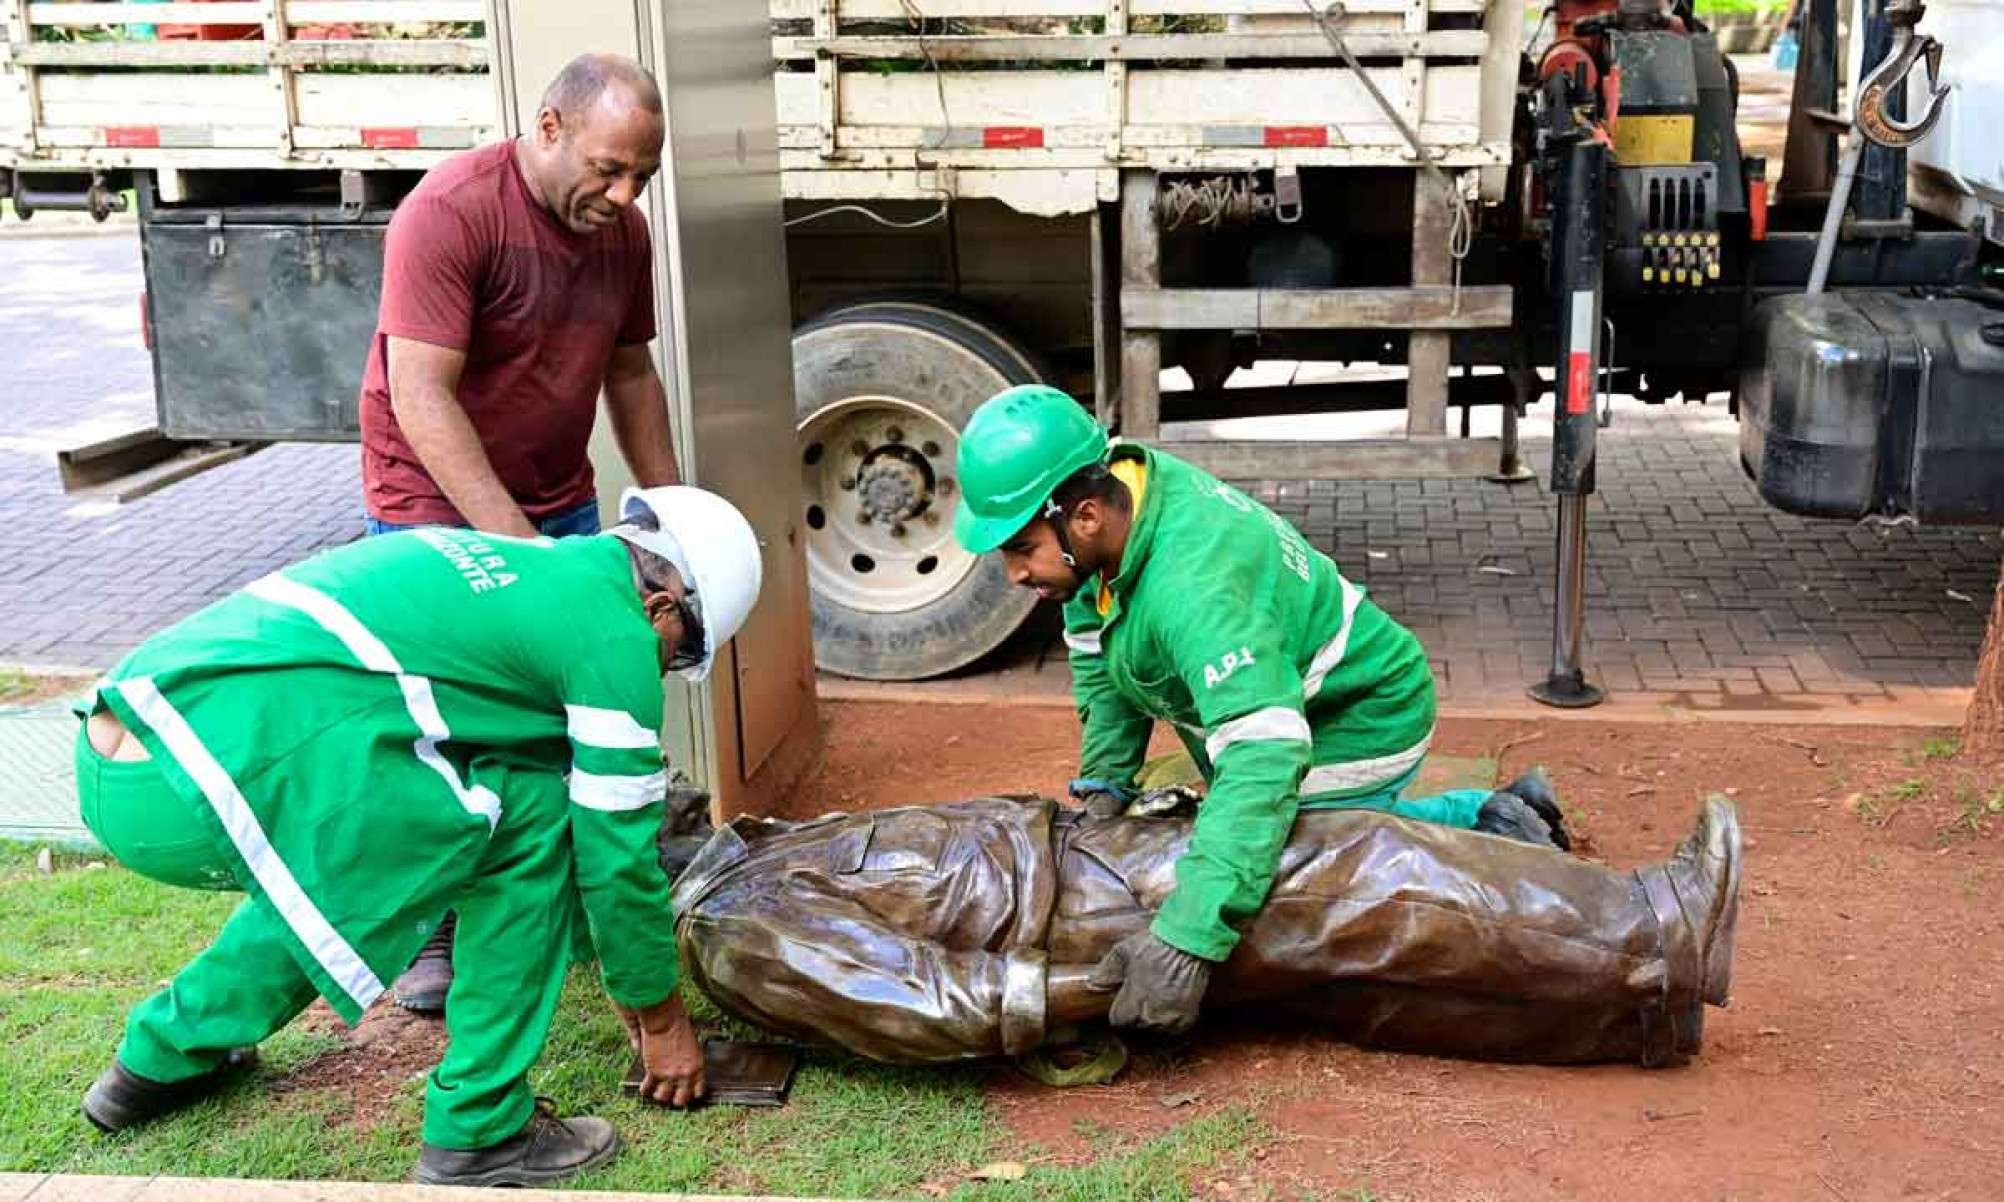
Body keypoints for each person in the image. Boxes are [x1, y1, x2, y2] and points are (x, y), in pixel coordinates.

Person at [74, 486, 762, 1187]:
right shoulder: (615, 635)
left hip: (121, 757)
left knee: (399, 838)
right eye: (679, 655)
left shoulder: (521, 569)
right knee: (530, 826)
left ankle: (160, 1059)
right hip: (198, 783)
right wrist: (663, 1019)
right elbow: (613, 862)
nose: (663, 672)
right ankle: (481, 1128)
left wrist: (627, 986)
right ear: (662, 607)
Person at [950, 384, 1568, 1035]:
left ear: (1082, 517)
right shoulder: (1109, 525)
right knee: (1239, 838)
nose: (1013, 574)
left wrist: (1188, 941)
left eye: (1020, 549)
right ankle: (1499, 809)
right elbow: (1102, 667)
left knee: (1307, 868)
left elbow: (1263, 759)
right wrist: (1107, 784)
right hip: (1279, 701)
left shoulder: (1193, 588)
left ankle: (1490, 823)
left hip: (1360, 716)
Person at [357, 52, 683, 1010]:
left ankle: (559, 901)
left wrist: (674, 520)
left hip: (557, 494)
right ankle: (433, 932)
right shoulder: (450, 213)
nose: (623, 196)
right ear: (548, 129)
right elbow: (421, 396)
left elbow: (630, 376)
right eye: (609, 169)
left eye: (641, 178)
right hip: (427, 500)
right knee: (444, 725)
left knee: (552, 719)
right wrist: (521, 554)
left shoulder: (622, 236)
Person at [668, 793, 1740, 1069]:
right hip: (1089, 912)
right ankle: (1660, 927)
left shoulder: (751, 849)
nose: (662, 790)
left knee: (1336, 978)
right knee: (1356, 869)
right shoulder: (735, 920)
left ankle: (1634, 1018)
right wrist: (1125, 974)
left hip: (1086, 863)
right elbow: (931, 1003)